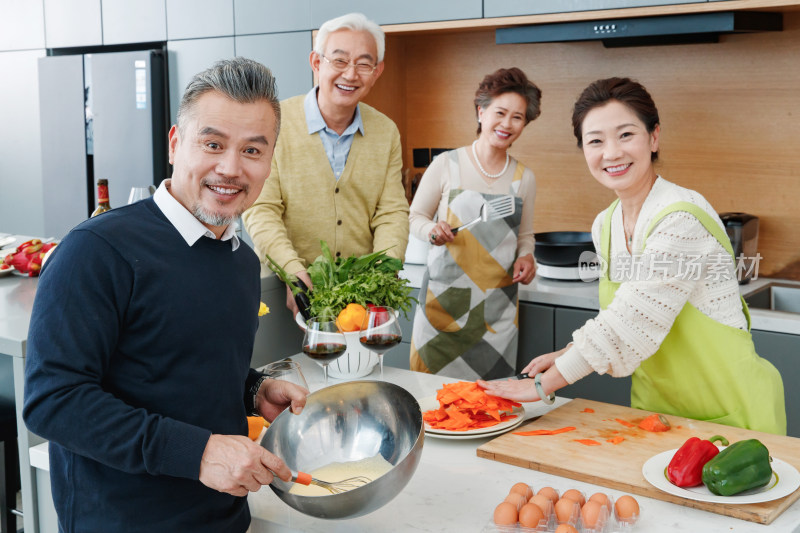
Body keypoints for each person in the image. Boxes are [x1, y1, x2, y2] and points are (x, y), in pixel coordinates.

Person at [23, 57, 309, 532]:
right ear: (176, 144)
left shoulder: (240, 259)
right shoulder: (97, 250)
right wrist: (198, 453)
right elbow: (54, 400)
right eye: (212, 143)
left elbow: (176, 369)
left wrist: (253, 388)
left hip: (226, 518)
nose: (230, 168)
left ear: (269, 161)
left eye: (252, 151)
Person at [480, 77, 786, 435]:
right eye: (595, 141)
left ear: (653, 137)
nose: (611, 153)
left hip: (732, 415)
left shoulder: (680, 217)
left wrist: (540, 386)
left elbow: (632, 321)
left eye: (626, 135)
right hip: (656, 414)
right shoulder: (605, 225)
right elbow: (624, 313)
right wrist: (571, 351)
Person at [242, 12, 409, 316]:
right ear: (317, 63)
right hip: (284, 292)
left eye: (363, 64)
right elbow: (261, 208)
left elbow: (391, 212)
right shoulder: (274, 123)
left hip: (359, 297)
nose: (350, 74)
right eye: (339, 60)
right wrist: (294, 272)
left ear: (377, 71)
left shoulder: (386, 132)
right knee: (283, 365)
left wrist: (383, 274)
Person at [408, 67, 541, 380]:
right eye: (500, 112)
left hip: (495, 316)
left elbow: (526, 235)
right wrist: (431, 231)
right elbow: (416, 218)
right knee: (432, 400)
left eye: (518, 117)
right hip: (443, 310)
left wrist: (526, 255)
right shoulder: (446, 165)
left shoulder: (524, 178)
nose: (507, 124)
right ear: (481, 111)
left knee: (489, 408)